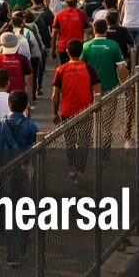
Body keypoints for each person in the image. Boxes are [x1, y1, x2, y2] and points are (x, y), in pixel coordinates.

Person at [0, 91, 38, 267]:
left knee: (9, 212)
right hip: (23, 172)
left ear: (8, 104)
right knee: (24, 209)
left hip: (4, 172)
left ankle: (12, 253)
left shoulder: (0, 124)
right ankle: (22, 247)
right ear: (26, 107)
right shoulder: (31, 126)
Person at [51, 41, 100, 180]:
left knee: (70, 140)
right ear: (81, 52)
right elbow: (97, 92)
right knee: (84, 139)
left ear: (67, 51)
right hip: (85, 109)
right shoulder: (89, 69)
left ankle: (72, 167)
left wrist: (55, 113)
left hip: (67, 111)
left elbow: (55, 95)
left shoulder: (61, 70)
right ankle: (80, 167)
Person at [81, 19, 129, 93]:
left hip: (92, 87)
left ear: (94, 29)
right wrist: (125, 85)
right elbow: (121, 67)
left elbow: (81, 66)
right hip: (111, 87)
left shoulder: (86, 46)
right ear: (106, 29)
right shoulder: (114, 45)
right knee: (112, 105)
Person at [0, 33, 34, 99]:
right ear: (17, 46)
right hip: (18, 98)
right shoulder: (23, 59)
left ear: (1, 45)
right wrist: (29, 99)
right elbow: (29, 81)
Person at [50, 0, 90, 65]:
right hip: (78, 47)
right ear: (76, 2)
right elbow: (88, 30)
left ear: (66, 3)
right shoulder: (82, 14)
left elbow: (54, 34)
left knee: (65, 69)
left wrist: (53, 50)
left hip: (63, 47)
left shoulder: (59, 15)